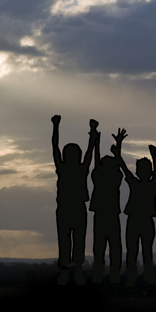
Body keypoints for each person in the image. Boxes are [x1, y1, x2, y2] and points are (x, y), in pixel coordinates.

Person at [111, 131, 156, 286]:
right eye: (140, 168)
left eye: (145, 168)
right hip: (134, 219)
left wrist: (154, 155)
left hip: (145, 220)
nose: (142, 170)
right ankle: (131, 279)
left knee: (147, 251)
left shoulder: (153, 184)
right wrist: (118, 147)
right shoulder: (135, 182)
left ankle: (148, 278)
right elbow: (122, 166)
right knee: (132, 251)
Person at [52, 115, 97, 285]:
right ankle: (67, 272)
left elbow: (89, 150)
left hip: (76, 208)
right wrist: (55, 126)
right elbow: (55, 147)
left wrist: (92, 133)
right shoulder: (66, 168)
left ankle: (76, 272)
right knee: (67, 240)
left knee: (76, 240)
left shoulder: (78, 168)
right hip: (67, 208)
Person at [89, 128, 124, 284]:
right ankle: (109, 274)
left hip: (103, 216)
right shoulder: (115, 177)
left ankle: (101, 274)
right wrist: (118, 146)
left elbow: (97, 161)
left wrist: (97, 141)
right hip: (109, 216)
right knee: (110, 248)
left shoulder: (100, 176)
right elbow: (114, 164)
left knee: (102, 247)